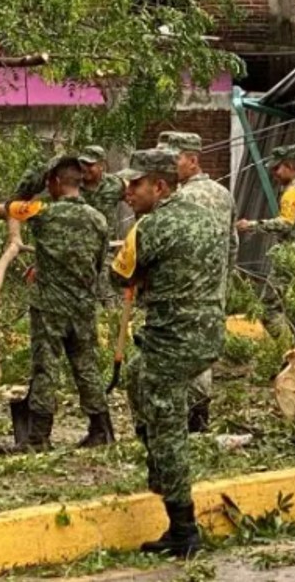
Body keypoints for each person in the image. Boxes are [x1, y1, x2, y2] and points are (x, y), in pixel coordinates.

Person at [110, 148, 226, 557]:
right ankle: (159, 465)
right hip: (208, 334)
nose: (128, 192)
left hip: (171, 339)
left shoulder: (150, 228)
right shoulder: (207, 217)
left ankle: (182, 527)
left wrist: (140, 272)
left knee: (167, 426)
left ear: (159, 186)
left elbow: (117, 275)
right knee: (136, 374)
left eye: (136, 184)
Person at [3, 156, 114, 451]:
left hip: (49, 305)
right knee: (86, 365)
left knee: (45, 368)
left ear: (53, 182)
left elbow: (13, 203)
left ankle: (39, 436)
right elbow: (100, 263)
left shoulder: (42, 213)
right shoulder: (98, 219)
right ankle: (101, 429)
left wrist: (37, 175)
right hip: (83, 305)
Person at [159, 131, 238, 433]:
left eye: (174, 158)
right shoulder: (223, 194)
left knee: (177, 352)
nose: (170, 165)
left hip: (183, 289)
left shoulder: (178, 198)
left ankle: (180, 419)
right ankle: (199, 418)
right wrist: (222, 283)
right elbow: (232, 245)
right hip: (213, 290)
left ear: (192, 160)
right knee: (203, 355)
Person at [236, 145, 295, 348]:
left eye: (277, 168)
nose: (274, 173)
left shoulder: (294, 192)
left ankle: (289, 348)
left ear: (290, 166)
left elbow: (285, 223)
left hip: (291, 261)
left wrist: (252, 226)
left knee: (268, 307)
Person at [79, 145, 126, 304]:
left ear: (102, 166)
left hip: (107, 248)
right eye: (82, 164)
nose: (85, 168)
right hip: (80, 249)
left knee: (107, 289)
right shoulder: (72, 185)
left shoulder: (115, 184)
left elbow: (136, 200)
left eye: (90, 164)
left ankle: (111, 321)